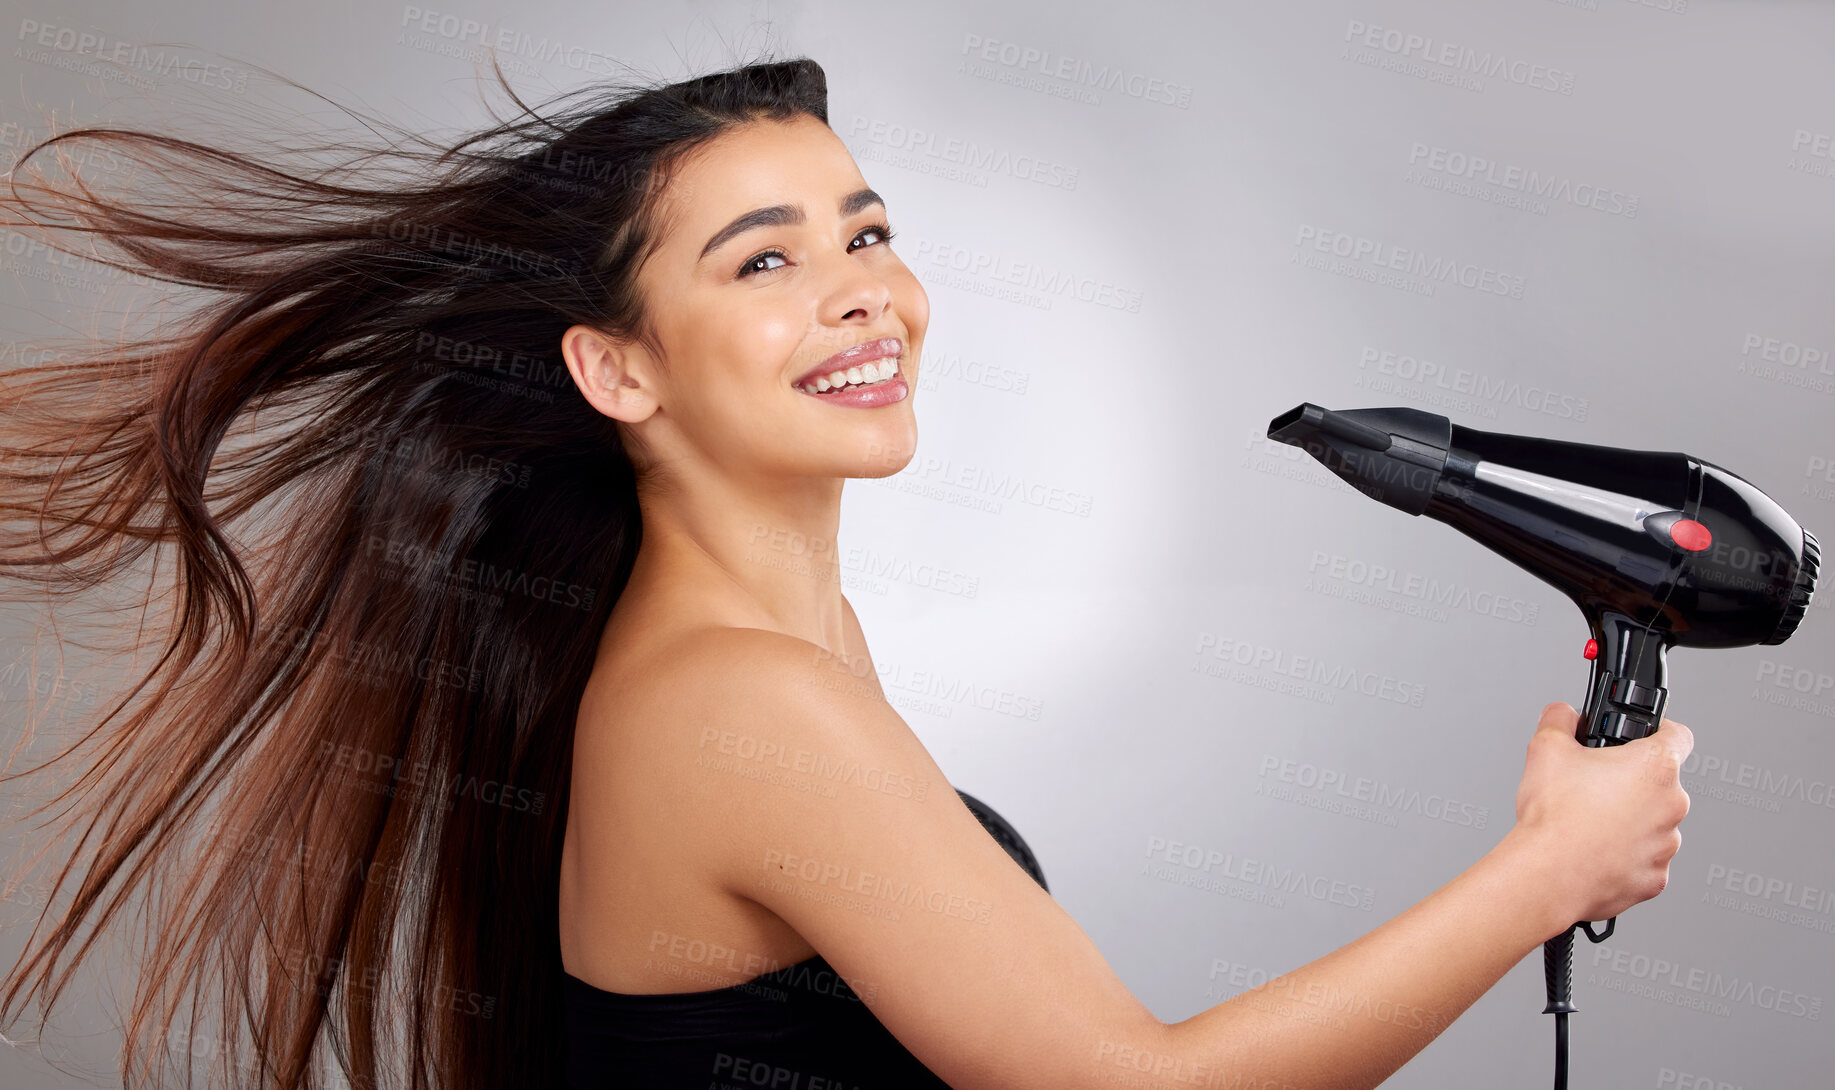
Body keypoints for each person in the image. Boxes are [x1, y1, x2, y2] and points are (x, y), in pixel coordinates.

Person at [0, 54, 1692, 1090]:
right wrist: (1542, 870)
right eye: (767, 259)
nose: (864, 291)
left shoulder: (783, 645)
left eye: (868, 230)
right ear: (622, 372)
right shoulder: (737, 702)